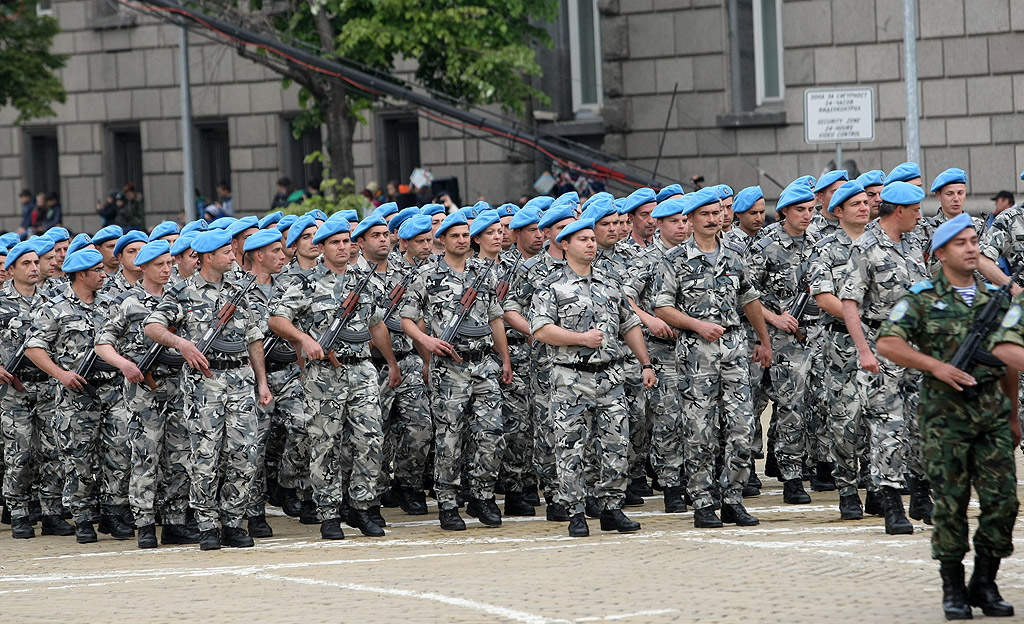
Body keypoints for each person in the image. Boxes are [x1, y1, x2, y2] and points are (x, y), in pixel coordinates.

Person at [879, 213, 1018, 620]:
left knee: (1003, 502)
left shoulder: (1000, 299)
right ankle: (954, 587)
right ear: (939, 253)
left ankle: (986, 581)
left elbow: (1009, 361)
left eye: (975, 240)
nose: (972, 248)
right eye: (961, 243)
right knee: (951, 505)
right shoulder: (922, 297)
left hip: (992, 414)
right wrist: (934, 365)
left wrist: (1011, 414)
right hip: (945, 418)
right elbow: (887, 341)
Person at [271, 218, 400, 540]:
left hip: (363, 370)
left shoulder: (365, 280)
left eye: (346, 241)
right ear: (321, 248)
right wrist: (305, 339)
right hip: (323, 375)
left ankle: (360, 505)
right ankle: (329, 512)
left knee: (371, 439)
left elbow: (377, 324)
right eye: (335, 242)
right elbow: (276, 319)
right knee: (324, 444)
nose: (343, 247)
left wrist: (391, 363)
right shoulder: (304, 282)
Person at [144, 229, 272, 551]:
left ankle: (233, 522)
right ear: (208, 257)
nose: (233, 256)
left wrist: (262, 382)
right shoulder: (183, 292)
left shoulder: (240, 288)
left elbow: (254, 338)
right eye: (226, 252)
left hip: (241, 378)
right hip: (205, 383)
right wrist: (182, 343)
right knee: (205, 455)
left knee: (244, 454)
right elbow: (152, 326)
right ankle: (207, 525)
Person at [531, 217, 657, 537]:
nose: (590, 244)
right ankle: (575, 511)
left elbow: (628, 325)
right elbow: (542, 329)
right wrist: (580, 339)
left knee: (616, 444)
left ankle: (612, 507)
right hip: (571, 378)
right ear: (565, 244)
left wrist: (645, 363)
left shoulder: (609, 279)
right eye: (582, 239)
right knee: (571, 446)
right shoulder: (552, 284)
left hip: (610, 375)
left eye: (591, 238)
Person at [654, 189, 772, 528]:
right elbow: (662, 306)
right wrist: (696, 325)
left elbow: (749, 299)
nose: (712, 219)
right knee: (699, 430)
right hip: (696, 354)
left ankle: (733, 498)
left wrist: (763, 341)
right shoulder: (674, 259)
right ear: (689, 220)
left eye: (716, 212)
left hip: (734, 348)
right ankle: (703, 501)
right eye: (704, 214)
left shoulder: (735, 255)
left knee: (741, 427)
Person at [400, 211, 512, 531]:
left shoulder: (484, 271)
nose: (462, 240)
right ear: (443, 240)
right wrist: (426, 341)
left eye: (466, 235)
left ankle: (482, 495)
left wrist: (504, 359)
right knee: (449, 437)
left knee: (491, 433)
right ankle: (448, 502)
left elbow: (495, 318)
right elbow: (407, 318)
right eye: (456, 236)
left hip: (484, 363)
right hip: (449, 367)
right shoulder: (426, 275)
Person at [839, 181, 931, 535]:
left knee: (920, 425)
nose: (920, 216)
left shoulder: (911, 244)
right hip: (883, 347)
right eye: (916, 210)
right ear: (899, 211)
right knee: (887, 429)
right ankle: (891, 502)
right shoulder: (867, 247)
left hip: (917, 350)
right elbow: (850, 302)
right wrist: (863, 350)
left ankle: (922, 495)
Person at [25, 249, 134, 544]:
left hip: (112, 390)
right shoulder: (55, 308)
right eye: (97, 270)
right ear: (81, 274)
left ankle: (114, 511)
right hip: (76, 395)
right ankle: (84, 517)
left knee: (120, 454)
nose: (104, 274)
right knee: (79, 459)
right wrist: (61, 374)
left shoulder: (111, 305)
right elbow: (34, 348)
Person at [94, 240, 198, 549]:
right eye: (159, 265)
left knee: (180, 456)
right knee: (145, 456)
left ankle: (176, 521)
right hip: (143, 389)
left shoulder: (182, 296)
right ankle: (144, 524)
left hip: (179, 386)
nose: (167, 269)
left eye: (169, 263)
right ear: (143, 267)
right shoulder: (129, 302)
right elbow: (103, 343)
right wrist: (125, 364)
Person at [747, 180, 822, 505]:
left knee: (795, 408)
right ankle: (750, 465)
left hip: (807, 338)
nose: (807, 215)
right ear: (785, 213)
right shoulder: (765, 246)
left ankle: (793, 474)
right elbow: (745, 295)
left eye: (810, 210)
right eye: (800, 210)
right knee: (755, 404)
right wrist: (773, 319)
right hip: (770, 337)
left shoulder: (817, 244)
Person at [807, 181, 876, 520]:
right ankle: (848, 489)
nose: (864, 208)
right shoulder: (825, 249)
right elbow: (823, 297)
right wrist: (860, 314)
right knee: (846, 420)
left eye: (866, 202)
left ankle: (878, 487)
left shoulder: (882, 245)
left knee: (879, 417)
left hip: (880, 341)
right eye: (855, 204)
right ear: (839, 211)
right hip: (842, 345)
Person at [0, 242, 74, 539]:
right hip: (13, 389)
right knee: (20, 452)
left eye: (35, 262)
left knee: (53, 451)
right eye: (26, 263)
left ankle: (52, 512)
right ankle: (18, 512)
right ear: (11, 270)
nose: (33, 268)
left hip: (48, 386)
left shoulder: (50, 300)